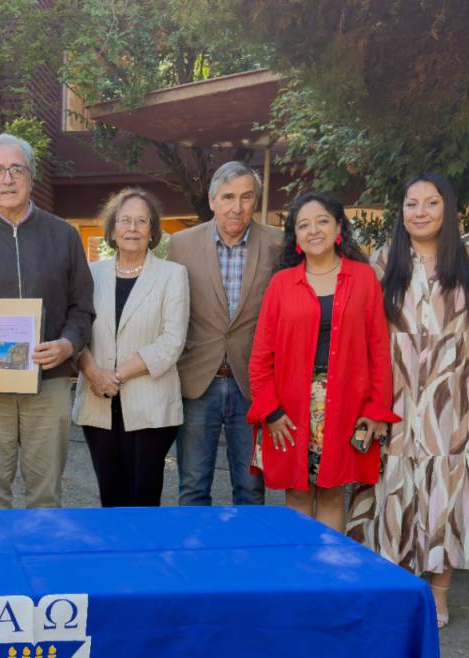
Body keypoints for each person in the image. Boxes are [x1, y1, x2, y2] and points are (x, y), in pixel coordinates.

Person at [345, 174, 469, 628]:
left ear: (447, 209)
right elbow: (362, 337)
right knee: (388, 494)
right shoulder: (380, 264)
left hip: (450, 403)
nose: (419, 211)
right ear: (401, 212)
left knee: (444, 494)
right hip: (390, 403)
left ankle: (437, 595)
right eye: (411, 203)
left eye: (430, 203)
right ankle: (397, 590)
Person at [0, 133, 94, 508]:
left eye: (16, 169)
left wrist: (68, 345)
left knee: (45, 494)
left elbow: (83, 307)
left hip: (50, 382)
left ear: (31, 177)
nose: (7, 179)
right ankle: (0, 566)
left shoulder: (64, 235)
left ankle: (40, 564)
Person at [246, 191, 397, 531]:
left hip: (346, 405)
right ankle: (301, 578)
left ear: (339, 228)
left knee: (332, 493)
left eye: (322, 221)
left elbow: (379, 350)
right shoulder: (281, 284)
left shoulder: (364, 278)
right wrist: (270, 410)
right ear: (296, 237)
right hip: (290, 409)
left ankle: (328, 577)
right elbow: (260, 356)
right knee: (297, 493)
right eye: (303, 225)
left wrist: (376, 409)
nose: (313, 230)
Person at [167, 161, 283, 506]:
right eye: (228, 197)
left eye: (246, 197)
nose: (237, 207)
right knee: (192, 486)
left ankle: (244, 559)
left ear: (255, 200)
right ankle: (196, 559)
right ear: (212, 199)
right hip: (198, 381)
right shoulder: (181, 244)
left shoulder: (279, 244)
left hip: (253, 384)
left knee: (250, 489)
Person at [73, 189, 189, 506]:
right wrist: (94, 374)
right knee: (110, 498)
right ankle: (115, 557)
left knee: (144, 499)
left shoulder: (172, 275)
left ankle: (146, 557)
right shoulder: (90, 273)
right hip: (98, 404)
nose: (133, 228)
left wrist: (115, 376)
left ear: (153, 231)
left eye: (142, 221)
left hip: (151, 407)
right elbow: (76, 329)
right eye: (125, 220)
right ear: (112, 229)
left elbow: (172, 341)